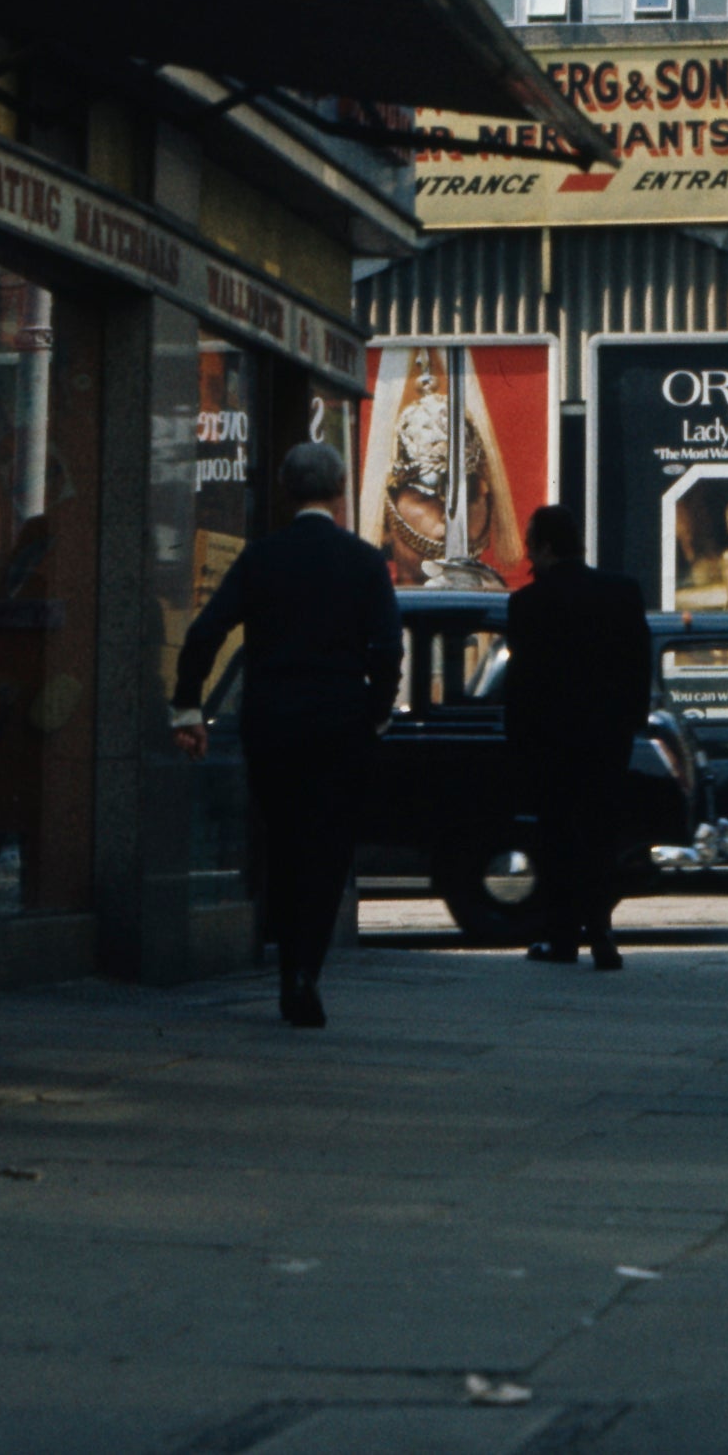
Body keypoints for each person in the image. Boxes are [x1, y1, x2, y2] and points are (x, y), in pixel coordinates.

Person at [173, 438, 406, 1027]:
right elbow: (387, 646)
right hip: (338, 723)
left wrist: (187, 709)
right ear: (337, 492)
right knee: (327, 848)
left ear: (286, 491)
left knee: (282, 841)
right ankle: (306, 970)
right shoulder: (362, 561)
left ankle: (286, 968)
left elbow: (205, 632)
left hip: (272, 721)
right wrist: (374, 712)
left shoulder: (261, 558)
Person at [498, 499, 653, 967]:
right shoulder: (622, 592)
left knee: (557, 839)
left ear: (545, 548)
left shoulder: (527, 603)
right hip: (607, 740)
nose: (528, 560)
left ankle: (561, 938)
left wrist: (518, 743)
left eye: (530, 549)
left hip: (551, 745)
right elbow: (639, 667)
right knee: (601, 838)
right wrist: (631, 724)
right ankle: (603, 933)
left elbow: (520, 684)